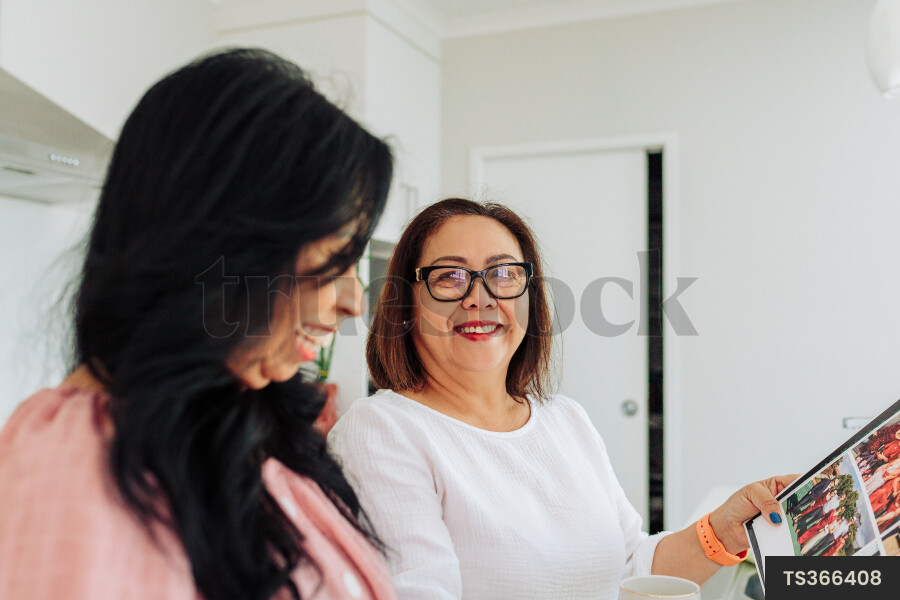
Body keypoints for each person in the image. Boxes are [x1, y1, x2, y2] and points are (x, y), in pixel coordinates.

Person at [0, 49, 397, 600]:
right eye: (336, 257)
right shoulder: (74, 466)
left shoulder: (236, 427)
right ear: (225, 247)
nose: (355, 302)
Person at [328, 198, 794, 600]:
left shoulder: (565, 419)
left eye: (504, 274)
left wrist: (722, 531)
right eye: (450, 277)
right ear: (405, 302)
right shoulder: (380, 431)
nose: (479, 297)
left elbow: (631, 566)